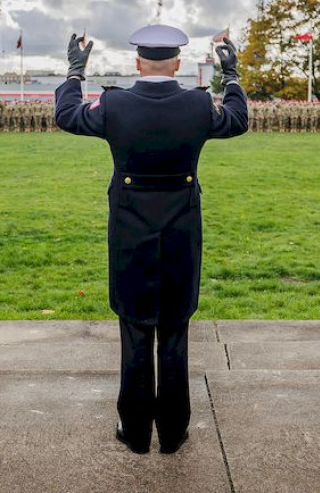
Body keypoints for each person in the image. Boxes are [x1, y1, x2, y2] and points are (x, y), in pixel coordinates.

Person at [55, 24, 249, 454]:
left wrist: (74, 72)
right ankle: (175, 431)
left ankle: (136, 430)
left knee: (135, 330)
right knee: (175, 331)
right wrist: (231, 75)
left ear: (137, 63)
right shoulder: (198, 104)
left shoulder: (116, 103)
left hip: (130, 231)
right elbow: (237, 121)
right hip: (181, 230)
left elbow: (67, 116)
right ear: (177, 64)